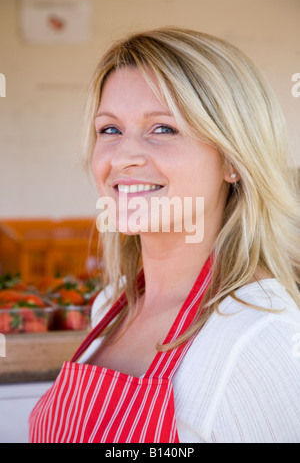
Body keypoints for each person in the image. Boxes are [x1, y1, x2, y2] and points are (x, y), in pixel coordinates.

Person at [29, 27, 300, 443]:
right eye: (110, 130)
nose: (123, 156)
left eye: (163, 129)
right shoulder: (111, 306)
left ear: (233, 161)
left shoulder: (260, 338)